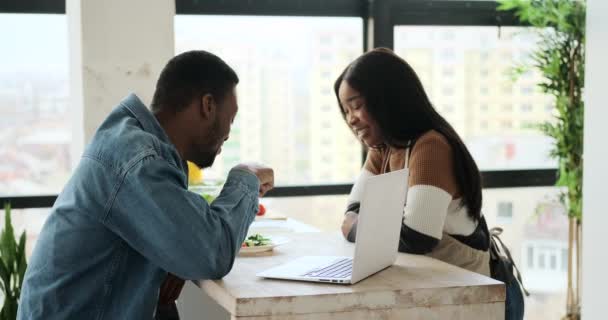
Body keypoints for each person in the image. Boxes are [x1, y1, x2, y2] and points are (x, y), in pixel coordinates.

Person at [18, 51, 274, 320]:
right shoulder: (137, 159)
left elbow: (193, 247)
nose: (229, 133)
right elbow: (212, 253)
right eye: (230, 119)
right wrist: (246, 177)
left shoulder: (134, 145)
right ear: (207, 105)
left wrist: (174, 254)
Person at [335, 48, 524, 320]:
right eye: (346, 111)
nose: (351, 119)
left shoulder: (430, 146)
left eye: (357, 105)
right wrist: (360, 225)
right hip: (444, 296)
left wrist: (356, 228)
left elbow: (417, 238)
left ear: (386, 98)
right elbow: (353, 208)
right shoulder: (383, 149)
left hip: (481, 299)